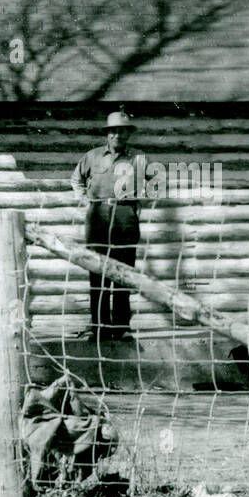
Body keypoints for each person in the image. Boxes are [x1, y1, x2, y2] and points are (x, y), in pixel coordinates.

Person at [70, 111, 146, 342]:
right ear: (107, 134)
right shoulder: (92, 156)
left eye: (122, 131)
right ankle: (100, 328)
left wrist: (137, 204)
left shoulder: (139, 158)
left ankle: (122, 327)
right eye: (113, 131)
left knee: (124, 272)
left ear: (128, 134)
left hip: (125, 215)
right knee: (97, 272)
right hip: (98, 216)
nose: (117, 135)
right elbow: (76, 179)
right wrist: (85, 200)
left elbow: (153, 183)